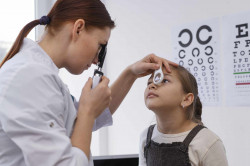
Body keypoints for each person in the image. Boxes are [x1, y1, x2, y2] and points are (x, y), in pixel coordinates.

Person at [0, 0, 177, 166]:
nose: (97, 60)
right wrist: (87, 110)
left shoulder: (41, 76)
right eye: (101, 46)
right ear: (78, 28)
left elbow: (82, 124)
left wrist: (130, 73)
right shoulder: (28, 77)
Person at [139, 65, 228, 166]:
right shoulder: (146, 137)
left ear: (186, 99)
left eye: (165, 81)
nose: (152, 85)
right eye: (149, 82)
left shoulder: (208, 142)